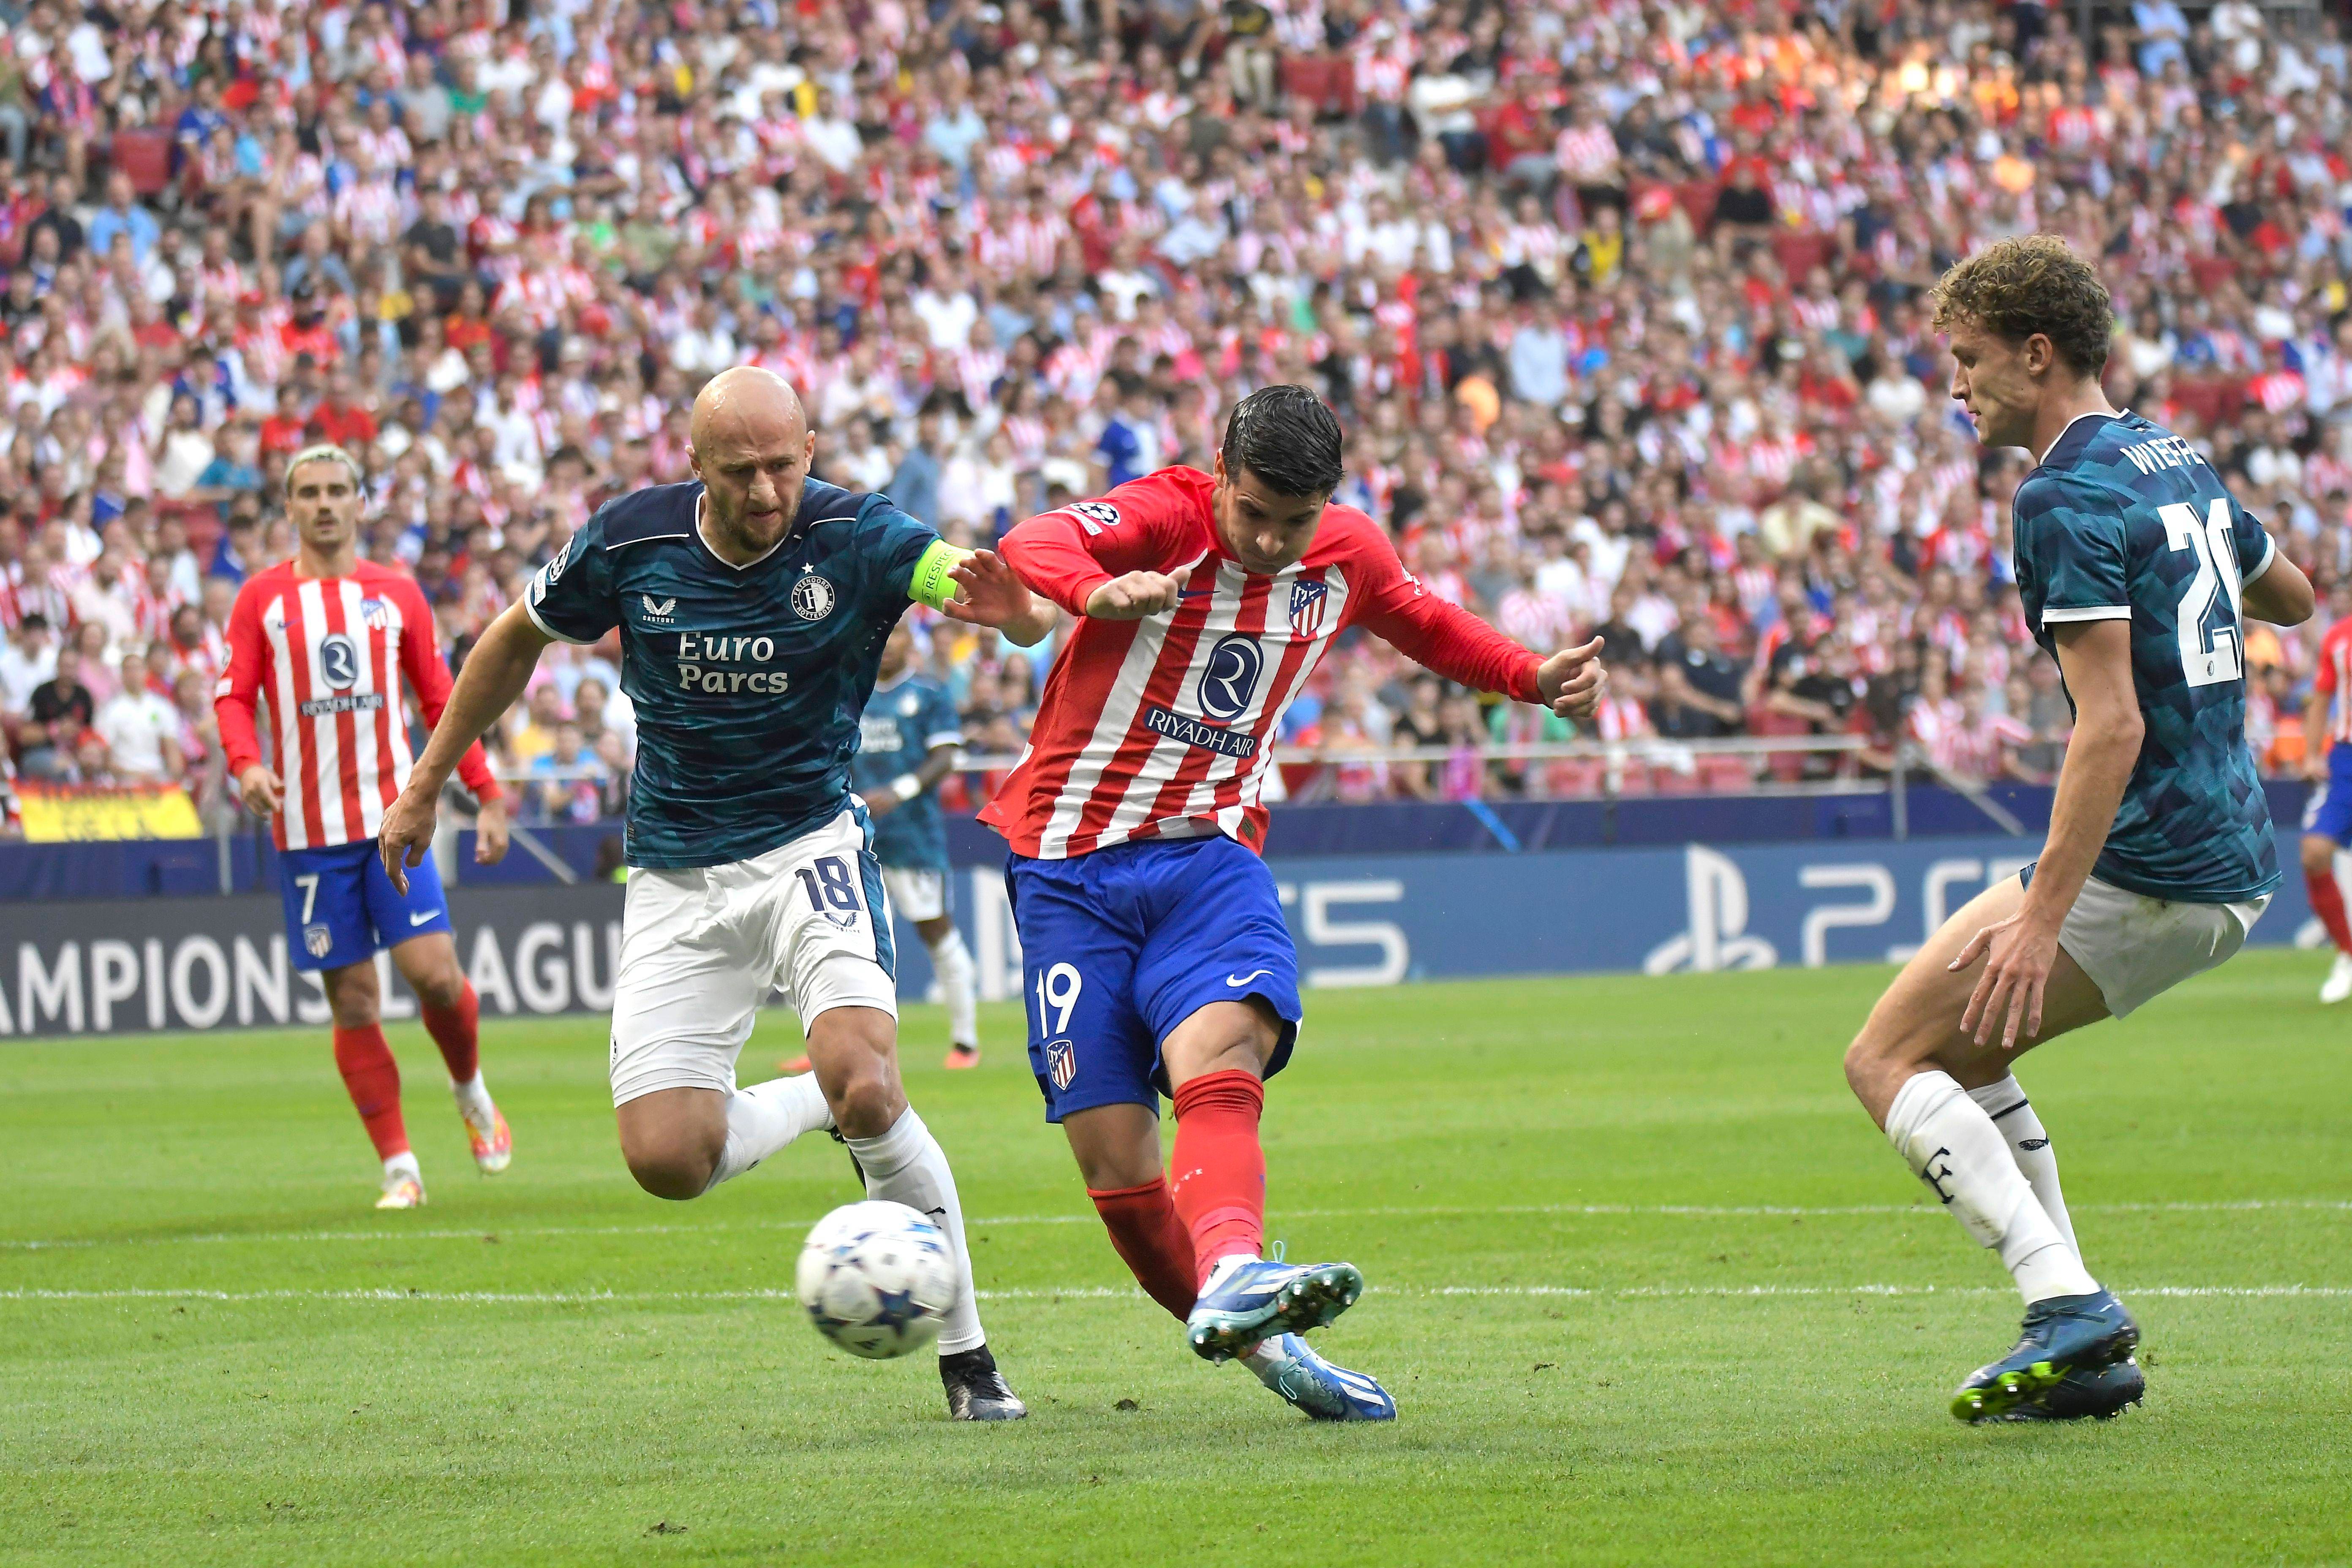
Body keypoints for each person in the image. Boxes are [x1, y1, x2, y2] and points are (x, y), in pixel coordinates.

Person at [376, 367, 1044, 1422]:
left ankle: (968, 1361)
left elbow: (958, 577)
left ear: (810, 451)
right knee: (668, 1161)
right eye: (740, 472)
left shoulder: (858, 535)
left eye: (783, 465)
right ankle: (815, 1104)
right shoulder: (631, 544)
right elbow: (511, 641)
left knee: (869, 1081)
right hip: (676, 873)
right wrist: (426, 782)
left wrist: (1016, 613)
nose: (767, 490)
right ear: (696, 466)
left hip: (809, 850)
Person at [981, 385, 1608, 1422]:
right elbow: (1036, 538)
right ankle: (1265, 1347)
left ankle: (1232, 1262)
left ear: (1329, 502)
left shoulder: (1345, 554)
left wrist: (1531, 675)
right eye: (1255, 512)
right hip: (1067, 864)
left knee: (1220, 1055)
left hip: (1208, 856)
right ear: (1221, 474)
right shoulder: (1165, 516)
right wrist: (1094, 593)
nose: (1271, 540)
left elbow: (1422, 620)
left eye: (1295, 519)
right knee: (1117, 1166)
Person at [1841, 237, 2315, 1424]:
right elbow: (2296, 596)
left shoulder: (2060, 493)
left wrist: (2039, 921)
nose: (1954, 386)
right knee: (1973, 1053)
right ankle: (2083, 1339)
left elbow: (2108, 725)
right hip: (2234, 860)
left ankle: (2066, 1304)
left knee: (1885, 1060)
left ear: (2036, 354)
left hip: (2148, 860)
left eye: (1969, 359)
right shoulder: (2175, 457)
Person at [214, 446, 517, 1211]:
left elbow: (441, 700)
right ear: (288, 509)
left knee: (435, 975)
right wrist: (246, 763)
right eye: (308, 492)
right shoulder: (262, 601)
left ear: (359, 502)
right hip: (308, 833)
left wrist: (484, 791)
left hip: (392, 824)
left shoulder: (396, 595)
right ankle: (400, 1167)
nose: (323, 504)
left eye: (337, 491)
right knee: (352, 1000)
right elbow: (232, 694)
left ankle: (471, 1089)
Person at [782, 621, 980, 1074]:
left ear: (912, 644)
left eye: (899, 638)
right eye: (883, 637)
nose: (889, 646)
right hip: (847, 837)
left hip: (912, 836)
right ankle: (825, 1048)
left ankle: (966, 1042)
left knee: (935, 929)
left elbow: (948, 754)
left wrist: (903, 788)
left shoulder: (928, 694)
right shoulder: (851, 690)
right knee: (826, 936)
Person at [2298, 580, 2352, 1002]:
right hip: (2346, 760)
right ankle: (2348, 954)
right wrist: (2312, 753)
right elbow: (2321, 697)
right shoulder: (2339, 637)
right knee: (2315, 852)